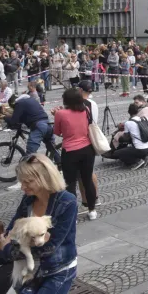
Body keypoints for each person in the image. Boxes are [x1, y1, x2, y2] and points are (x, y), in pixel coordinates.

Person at [3, 154, 78, 294]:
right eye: (21, 182)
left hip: (56, 271)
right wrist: (9, 243)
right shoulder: (28, 200)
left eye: (28, 182)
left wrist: (8, 249)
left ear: (44, 178)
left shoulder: (67, 202)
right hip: (28, 272)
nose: (23, 187)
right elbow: (10, 231)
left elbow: (49, 248)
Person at [53, 88, 98, 220]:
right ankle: (92, 210)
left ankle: (72, 214)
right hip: (87, 149)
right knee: (87, 180)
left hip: (70, 151)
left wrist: (56, 114)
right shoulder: (86, 110)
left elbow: (57, 132)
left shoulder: (60, 114)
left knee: (70, 183)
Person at [3, 93, 58, 163]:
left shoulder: (19, 103)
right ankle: (61, 164)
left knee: (30, 154)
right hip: (47, 124)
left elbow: (14, 121)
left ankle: (28, 172)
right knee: (52, 148)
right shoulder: (30, 99)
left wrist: (5, 118)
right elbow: (25, 116)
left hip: (39, 126)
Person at [110, 103, 148, 169]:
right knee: (131, 149)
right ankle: (145, 157)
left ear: (129, 112)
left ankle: (137, 161)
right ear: (138, 111)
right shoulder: (144, 119)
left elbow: (126, 137)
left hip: (140, 149)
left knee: (117, 153)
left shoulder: (128, 123)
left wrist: (119, 136)